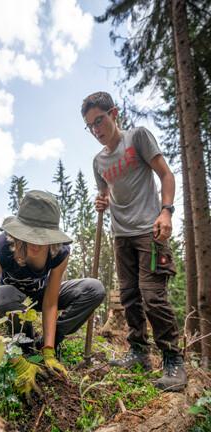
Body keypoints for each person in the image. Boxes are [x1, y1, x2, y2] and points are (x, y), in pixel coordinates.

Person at [81, 91, 187, 392]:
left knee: (153, 295)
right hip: (121, 235)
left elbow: (166, 175)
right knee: (129, 297)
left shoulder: (138, 138)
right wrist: (102, 201)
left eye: (99, 121)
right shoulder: (98, 162)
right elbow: (105, 194)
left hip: (150, 230)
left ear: (114, 113)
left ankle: (173, 359)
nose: (96, 130)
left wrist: (166, 212)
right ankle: (139, 353)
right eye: (90, 126)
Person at [0, 190, 105, 397]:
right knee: (4, 295)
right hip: (12, 300)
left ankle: (44, 343)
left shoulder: (59, 252)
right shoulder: (0, 248)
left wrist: (49, 350)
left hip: (41, 295)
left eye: (41, 237)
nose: (35, 244)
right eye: (29, 235)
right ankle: (24, 344)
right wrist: (13, 361)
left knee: (94, 288)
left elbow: (50, 303)